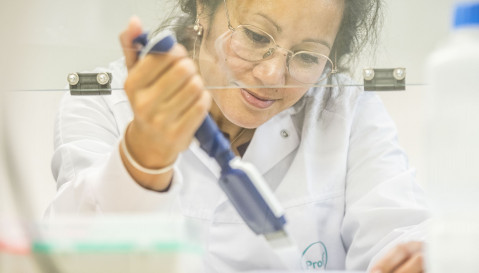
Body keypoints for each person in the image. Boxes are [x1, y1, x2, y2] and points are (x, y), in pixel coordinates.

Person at [46, 0, 429, 272]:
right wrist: (143, 156)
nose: (272, 75)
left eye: (308, 57)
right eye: (256, 36)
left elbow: (398, 227)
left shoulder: (346, 110)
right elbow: (70, 252)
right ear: (203, 7)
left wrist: (414, 258)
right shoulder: (104, 101)